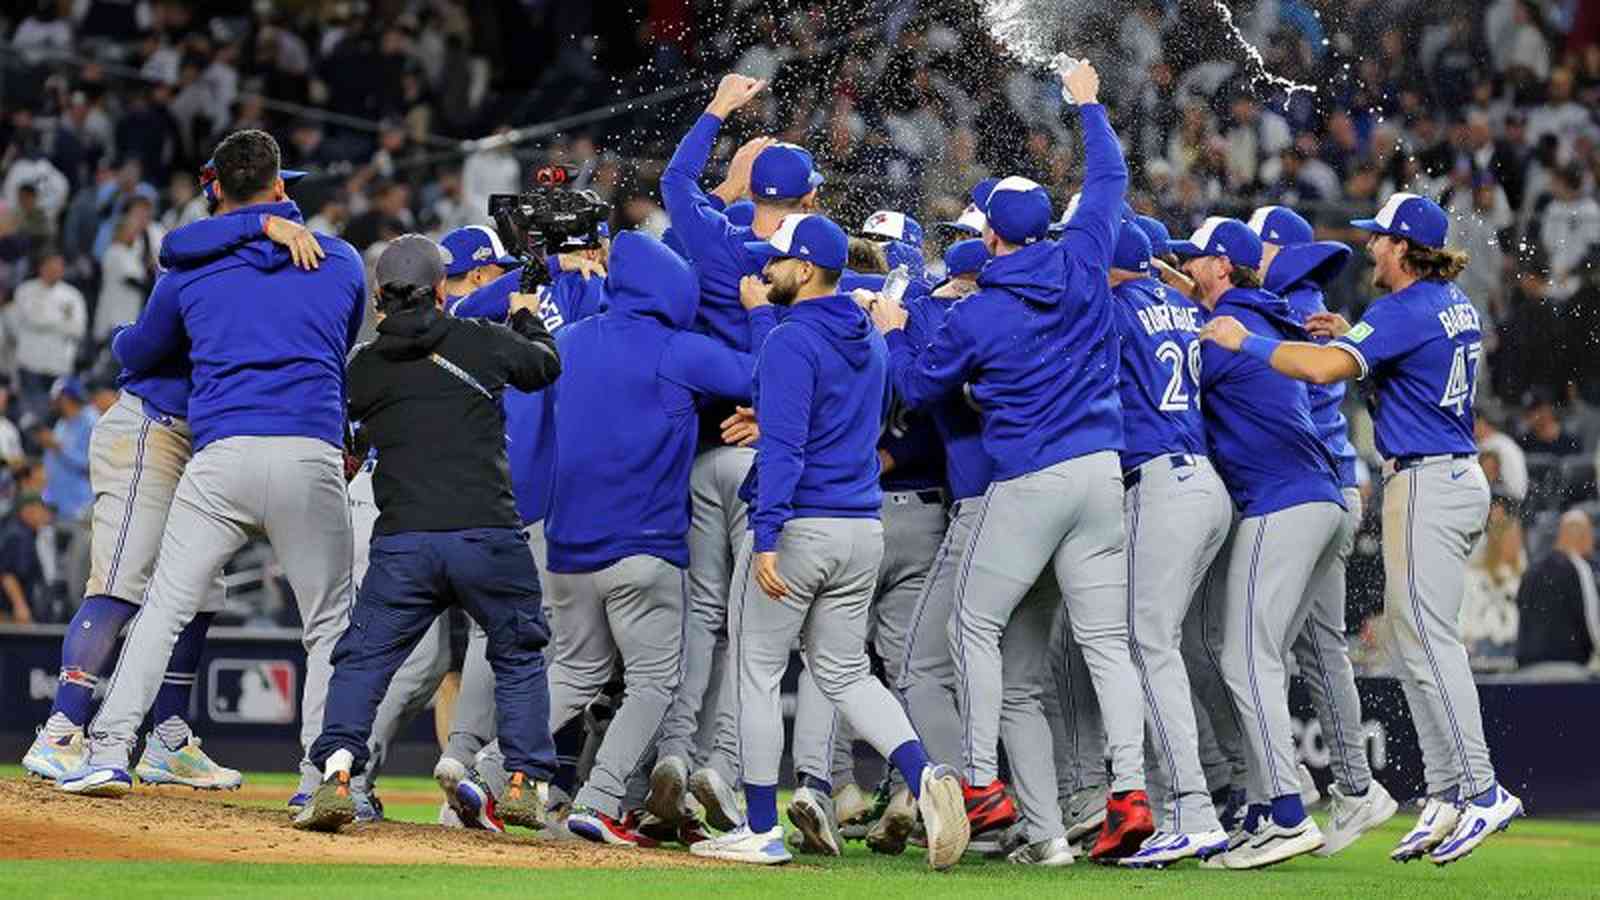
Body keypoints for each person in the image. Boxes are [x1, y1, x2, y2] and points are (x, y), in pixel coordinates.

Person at [871, 63, 1149, 865]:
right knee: (1105, 643)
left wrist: (894, 326)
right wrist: (1090, 104)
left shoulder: (984, 310)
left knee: (970, 623)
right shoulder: (1084, 257)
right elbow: (1111, 174)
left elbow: (919, 384)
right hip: (1103, 473)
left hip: (1029, 480)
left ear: (990, 235)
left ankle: (984, 784)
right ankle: (1128, 792)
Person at [1198, 192, 1524, 865]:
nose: (1372, 247)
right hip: (1451, 470)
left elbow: (1321, 369)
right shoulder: (1447, 301)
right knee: (1412, 642)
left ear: (1405, 249)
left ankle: (1483, 788)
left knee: (1428, 643)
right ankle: (1445, 792)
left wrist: (1248, 340)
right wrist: (1352, 335)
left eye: (1381, 238)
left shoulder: (1405, 309)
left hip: (1429, 478)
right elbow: (1396, 360)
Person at [59, 130, 365, 799]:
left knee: (164, 606)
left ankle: (109, 751)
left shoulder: (190, 270)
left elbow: (138, 354)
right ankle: (321, 780)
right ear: (282, 188)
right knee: (329, 625)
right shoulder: (341, 262)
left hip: (221, 453)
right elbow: (340, 348)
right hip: (309, 452)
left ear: (216, 189)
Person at [690, 213, 969, 869]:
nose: (765, 270)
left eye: (778, 261)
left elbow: (784, 448)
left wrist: (765, 536)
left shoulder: (791, 340)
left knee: (755, 672)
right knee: (846, 672)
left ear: (808, 269)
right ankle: (926, 774)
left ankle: (760, 828)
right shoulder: (868, 337)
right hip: (859, 526)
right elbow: (833, 419)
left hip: (802, 525)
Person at [19, 189, 322, 787]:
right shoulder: (199, 266)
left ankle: (167, 740)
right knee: (121, 582)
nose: (289, 216)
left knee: (201, 594)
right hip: (150, 432)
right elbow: (133, 349)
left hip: (203, 446)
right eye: (273, 209)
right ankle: (60, 731)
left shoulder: (261, 280)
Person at [292, 234, 562, 833]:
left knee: (362, 661)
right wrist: (525, 314)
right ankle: (522, 780)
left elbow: (349, 435)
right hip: (486, 536)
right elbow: (544, 365)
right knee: (517, 653)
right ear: (443, 290)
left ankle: (337, 774)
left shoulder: (362, 365)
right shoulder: (482, 341)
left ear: (380, 297)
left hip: (405, 542)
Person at [547, 231, 776, 845]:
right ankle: (598, 798)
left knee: (571, 673)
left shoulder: (568, 340)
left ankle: (489, 770)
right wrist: (757, 315)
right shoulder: (677, 349)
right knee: (654, 681)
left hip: (565, 546)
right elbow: (765, 375)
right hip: (642, 545)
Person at [656, 72, 816, 830]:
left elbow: (674, 181)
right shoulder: (812, 262)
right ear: (811, 200)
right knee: (751, 632)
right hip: (766, 451)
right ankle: (718, 770)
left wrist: (718, 109)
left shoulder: (718, 244)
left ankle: (675, 754)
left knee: (698, 620)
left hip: (701, 446)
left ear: (753, 188)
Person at [1170, 216, 1345, 868]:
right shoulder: (1259, 314)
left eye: (1195, 261)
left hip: (1283, 500)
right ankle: (1264, 804)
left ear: (1221, 266)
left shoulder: (1227, 329)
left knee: (1245, 657)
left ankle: (1288, 812)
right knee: (1246, 652)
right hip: (1315, 499)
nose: (1187, 269)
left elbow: (1169, 389)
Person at [1249, 204, 1400, 856]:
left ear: (1277, 249)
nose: (1250, 257)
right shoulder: (1301, 298)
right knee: (1315, 646)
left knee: (1253, 646)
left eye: (1258, 247)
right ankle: (1346, 784)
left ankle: (1282, 789)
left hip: (1312, 487)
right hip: (1337, 486)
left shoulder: (1288, 306)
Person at [1100, 220, 1233, 868]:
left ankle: (1194, 808)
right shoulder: (1179, 303)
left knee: (1148, 647)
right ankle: (1179, 801)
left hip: (1160, 481)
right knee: (1156, 647)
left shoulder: (1117, 306)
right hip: (1203, 481)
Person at [1515, 509, 1599, 674]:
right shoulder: (1580, 567)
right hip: (1568, 670)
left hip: (1528, 671)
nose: (1592, 542)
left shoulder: (1532, 570)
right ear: (1580, 535)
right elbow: (1592, 622)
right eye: (1590, 535)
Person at [7, 247, 86, 419]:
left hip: (59, 367)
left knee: (55, 419)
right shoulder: (25, 290)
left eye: (59, 266)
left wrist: (48, 320)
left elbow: (78, 329)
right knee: (32, 418)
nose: (56, 270)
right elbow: (34, 318)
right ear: (41, 267)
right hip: (31, 366)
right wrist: (62, 320)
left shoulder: (72, 295)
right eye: (51, 265)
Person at [0, 493, 50, 624]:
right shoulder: (18, 536)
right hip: (10, 612)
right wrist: (20, 605)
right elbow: (8, 574)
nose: (45, 515)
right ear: (28, 511)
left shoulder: (26, 533)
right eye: (41, 509)